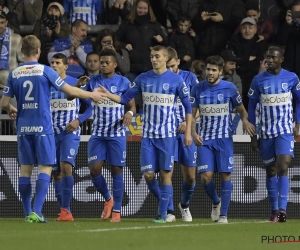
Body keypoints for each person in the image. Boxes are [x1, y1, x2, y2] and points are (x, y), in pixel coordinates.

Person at [0, 35, 105, 223]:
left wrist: (11, 109)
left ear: (22, 51)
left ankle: (26, 212)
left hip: (23, 128)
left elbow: (4, 102)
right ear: (39, 51)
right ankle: (37, 211)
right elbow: (71, 91)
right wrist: (92, 94)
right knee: (46, 168)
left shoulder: (14, 73)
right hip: (43, 127)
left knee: (25, 170)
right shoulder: (45, 71)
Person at [100, 45, 193, 223]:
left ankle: (163, 213)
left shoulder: (176, 80)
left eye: (157, 56)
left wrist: (188, 133)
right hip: (148, 136)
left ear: (166, 58)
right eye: (152, 56)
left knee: (166, 174)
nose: (154, 59)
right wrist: (108, 94)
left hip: (167, 135)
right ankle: (167, 207)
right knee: (149, 175)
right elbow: (125, 99)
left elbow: (188, 108)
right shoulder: (143, 78)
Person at [191, 55, 255, 223]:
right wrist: (192, 132)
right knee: (206, 177)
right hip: (205, 140)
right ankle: (216, 202)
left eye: (214, 70)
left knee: (226, 175)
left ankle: (224, 215)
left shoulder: (230, 88)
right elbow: (191, 114)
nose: (210, 73)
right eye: (208, 69)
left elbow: (242, 110)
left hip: (224, 139)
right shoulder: (198, 89)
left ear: (220, 72)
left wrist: (246, 120)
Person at [74, 48, 136, 223]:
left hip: (116, 133)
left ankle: (117, 211)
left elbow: (132, 106)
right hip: (98, 134)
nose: (103, 65)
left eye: (107, 62)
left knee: (117, 169)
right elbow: (71, 96)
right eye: (101, 62)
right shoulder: (92, 81)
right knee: (94, 170)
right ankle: (108, 199)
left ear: (115, 64)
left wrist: (129, 115)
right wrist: (78, 86)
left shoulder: (123, 82)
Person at [248, 46, 300, 222]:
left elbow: (299, 101)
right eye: (267, 57)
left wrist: (297, 123)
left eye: (273, 57)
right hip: (266, 132)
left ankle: (283, 210)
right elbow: (251, 105)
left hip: (285, 130)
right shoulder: (258, 80)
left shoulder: (291, 77)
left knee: (283, 166)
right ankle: (274, 209)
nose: (269, 60)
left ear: (281, 59)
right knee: (270, 171)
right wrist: (253, 136)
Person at [50, 53, 92, 221]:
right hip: (52, 134)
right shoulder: (46, 83)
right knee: (56, 173)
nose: (54, 65)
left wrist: (78, 120)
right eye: (52, 62)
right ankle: (63, 210)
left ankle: (67, 210)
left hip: (69, 133)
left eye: (58, 62)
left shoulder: (75, 82)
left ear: (65, 66)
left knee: (66, 166)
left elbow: (90, 108)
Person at [166, 47, 198, 222]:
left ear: (178, 62)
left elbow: (198, 106)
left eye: (172, 66)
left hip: (187, 132)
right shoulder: (161, 79)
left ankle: (184, 205)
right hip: (168, 132)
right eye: (167, 66)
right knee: (167, 172)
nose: (170, 70)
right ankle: (170, 211)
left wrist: (188, 122)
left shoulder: (190, 78)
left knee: (191, 177)